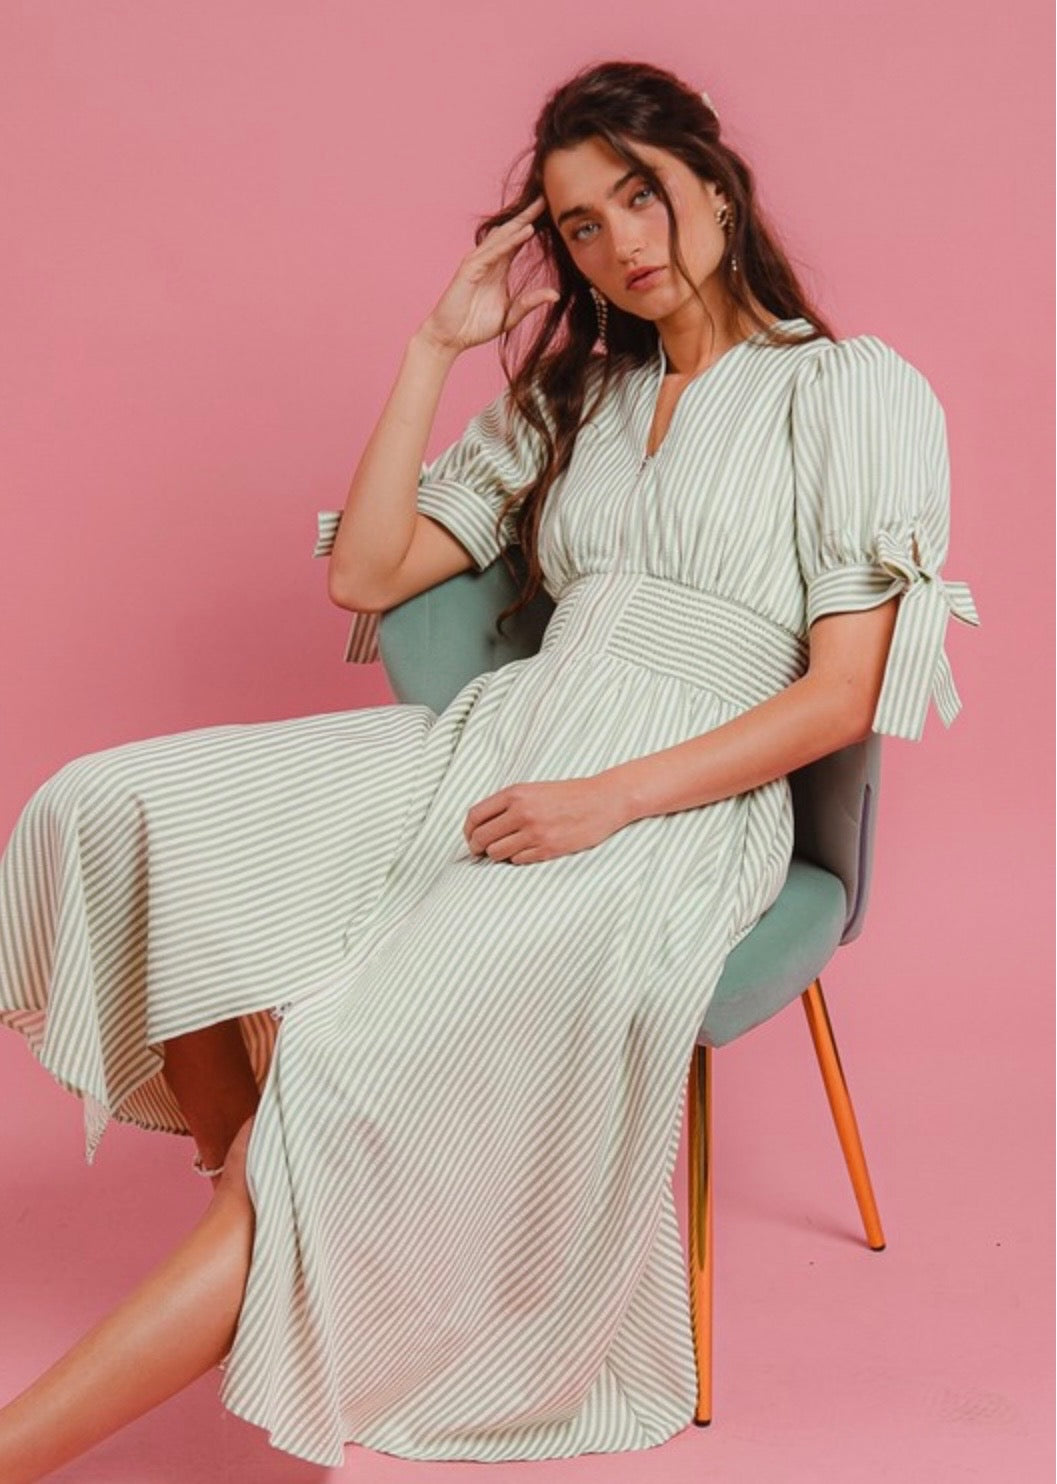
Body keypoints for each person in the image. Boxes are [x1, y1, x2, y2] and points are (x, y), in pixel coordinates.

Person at [0, 57, 979, 1479]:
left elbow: (839, 696)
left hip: (671, 800)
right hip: (502, 738)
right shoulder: (577, 397)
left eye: (639, 194)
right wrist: (432, 347)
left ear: (713, 184)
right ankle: (257, 1200)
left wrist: (608, 801)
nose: (621, 241)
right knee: (117, 806)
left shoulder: (846, 389)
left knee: (335, 1072)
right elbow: (366, 574)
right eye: (580, 224)